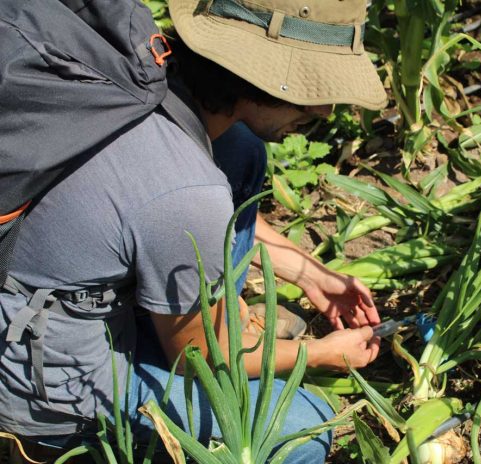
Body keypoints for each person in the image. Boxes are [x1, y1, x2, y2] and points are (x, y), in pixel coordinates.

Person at [0, 0, 387, 462]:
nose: (324, 108)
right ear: (257, 74)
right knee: (301, 429)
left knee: (241, 153)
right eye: (311, 85)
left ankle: (205, 315)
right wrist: (318, 354)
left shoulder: (147, 72)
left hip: (59, 268)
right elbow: (195, 360)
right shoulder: (185, 189)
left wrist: (310, 275)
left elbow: (162, 207)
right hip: (48, 380)